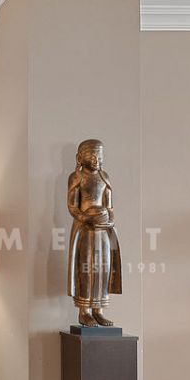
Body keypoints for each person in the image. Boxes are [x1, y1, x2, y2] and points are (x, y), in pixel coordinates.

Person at [67, 138, 122, 328]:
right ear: (80, 158)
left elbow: (110, 206)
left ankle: (98, 310)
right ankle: (84, 311)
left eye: (100, 155)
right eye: (92, 154)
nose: (96, 159)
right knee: (87, 267)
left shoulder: (104, 177)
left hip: (103, 230)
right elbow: (72, 206)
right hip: (85, 229)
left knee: (103, 268)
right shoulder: (77, 177)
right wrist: (86, 217)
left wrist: (110, 219)